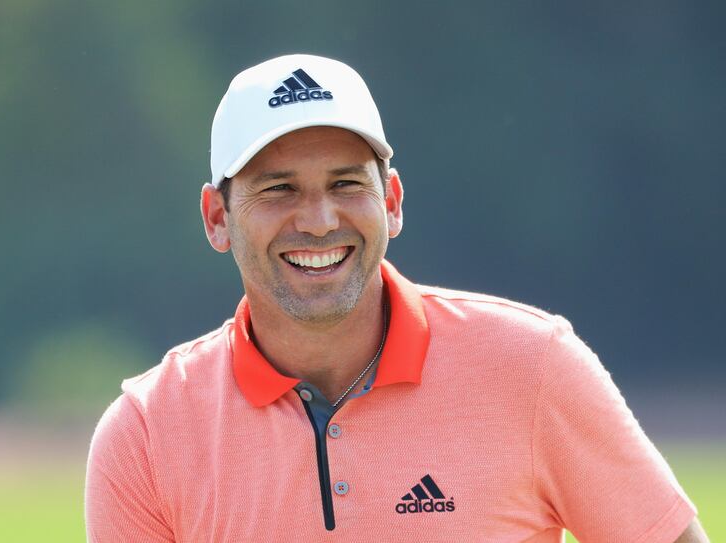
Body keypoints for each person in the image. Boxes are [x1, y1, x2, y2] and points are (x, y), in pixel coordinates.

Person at [84, 54, 709, 542]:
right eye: (278, 189)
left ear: (391, 201)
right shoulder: (147, 434)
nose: (321, 219)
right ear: (217, 217)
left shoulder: (534, 367)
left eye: (346, 183)